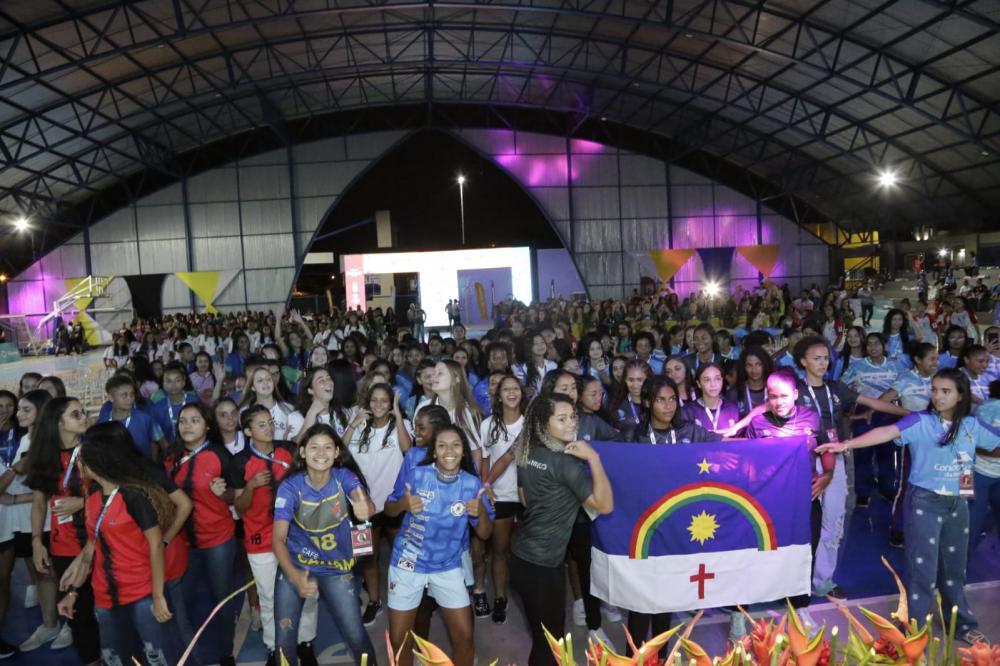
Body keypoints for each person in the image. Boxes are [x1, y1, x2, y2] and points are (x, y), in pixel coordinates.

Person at [817, 369, 1000, 646]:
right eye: (935, 390)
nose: (937, 396)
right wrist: (847, 444)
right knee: (922, 569)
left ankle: (962, 624)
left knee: (955, 570)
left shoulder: (972, 426)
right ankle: (911, 626)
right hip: (924, 503)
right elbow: (886, 431)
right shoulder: (920, 421)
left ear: (961, 395)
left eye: (945, 391)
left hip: (958, 504)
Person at [56, 425, 182, 664]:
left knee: (156, 656)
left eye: (82, 462)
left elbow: (156, 547)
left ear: (96, 463)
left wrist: (157, 596)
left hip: (141, 592)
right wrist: (73, 592)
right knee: (113, 658)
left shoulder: (133, 497)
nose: (78, 467)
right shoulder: (92, 498)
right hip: (104, 595)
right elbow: (91, 550)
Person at [509, 393, 613, 666]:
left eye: (573, 417)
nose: (571, 424)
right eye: (562, 419)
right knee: (550, 646)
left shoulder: (527, 451)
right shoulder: (567, 463)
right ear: (544, 424)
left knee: (542, 639)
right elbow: (604, 505)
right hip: (543, 567)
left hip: (521, 559)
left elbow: (524, 498)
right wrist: (593, 458)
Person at [384, 425, 493, 666]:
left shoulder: (472, 484)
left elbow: (485, 533)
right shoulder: (417, 474)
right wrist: (403, 504)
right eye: (442, 445)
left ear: (463, 451)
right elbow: (389, 509)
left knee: (464, 636)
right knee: (400, 640)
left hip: (447, 565)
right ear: (434, 452)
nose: (449, 451)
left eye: (455, 445)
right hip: (407, 564)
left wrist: (481, 512)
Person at [272, 424, 377, 666]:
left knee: (356, 635)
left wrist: (364, 507)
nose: (321, 453)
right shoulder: (290, 487)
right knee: (284, 641)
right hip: (297, 566)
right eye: (314, 447)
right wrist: (295, 577)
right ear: (302, 452)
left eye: (328, 447)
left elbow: (362, 499)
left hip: (337, 567)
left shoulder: (344, 478)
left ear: (337, 452)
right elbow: (278, 539)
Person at [231, 405, 318, 665]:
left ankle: (305, 641)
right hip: (260, 539)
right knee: (268, 596)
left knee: (307, 590)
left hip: (297, 536)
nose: (269, 427)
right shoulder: (239, 461)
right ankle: (272, 646)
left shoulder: (289, 451)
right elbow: (239, 507)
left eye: (270, 422)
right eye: (261, 424)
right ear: (247, 431)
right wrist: (251, 486)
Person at [26, 397, 100, 665]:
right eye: (76, 414)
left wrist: (82, 502)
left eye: (83, 412)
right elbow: (38, 503)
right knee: (79, 616)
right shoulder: (45, 457)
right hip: (65, 547)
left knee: (109, 610)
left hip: (103, 542)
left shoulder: (95, 450)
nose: (83, 417)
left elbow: (119, 490)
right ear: (58, 422)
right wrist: (36, 541)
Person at [163, 403, 237, 666]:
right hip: (183, 542)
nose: (187, 426)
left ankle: (226, 652)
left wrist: (225, 493)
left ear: (207, 425)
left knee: (221, 600)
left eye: (194, 420)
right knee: (184, 600)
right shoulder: (171, 456)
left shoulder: (219, 454)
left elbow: (235, 495)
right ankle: (190, 652)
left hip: (218, 539)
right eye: (183, 420)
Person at [342, 383, 412, 625]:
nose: (379, 405)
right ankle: (374, 601)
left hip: (393, 505)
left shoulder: (400, 426)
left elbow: (408, 449)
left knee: (402, 554)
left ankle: (405, 597)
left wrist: (398, 413)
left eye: (385, 400)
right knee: (367, 558)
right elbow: (338, 452)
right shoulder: (358, 423)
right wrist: (353, 423)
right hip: (361, 507)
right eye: (375, 400)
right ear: (367, 402)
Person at [4, 390, 66, 655]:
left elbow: (53, 487)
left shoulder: (48, 444)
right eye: (19, 409)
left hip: (45, 519)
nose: (18, 414)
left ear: (41, 413)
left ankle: (68, 623)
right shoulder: (27, 438)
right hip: (27, 519)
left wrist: (19, 497)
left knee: (56, 572)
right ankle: (50, 622)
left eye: (25, 409)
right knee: (41, 574)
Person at [479, 375, 523, 624]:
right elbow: (485, 459)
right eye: (506, 389)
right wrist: (486, 489)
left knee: (524, 551)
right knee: (499, 550)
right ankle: (500, 598)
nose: (511, 393)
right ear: (498, 395)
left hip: (527, 496)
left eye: (515, 388)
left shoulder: (531, 424)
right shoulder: (488, 425)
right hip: (501, 495)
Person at [969, 379, 1000, 555]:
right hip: (981, 474)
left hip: (977, 472)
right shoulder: (989, 410)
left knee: (971, 524)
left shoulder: (982, 408)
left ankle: (955, 575)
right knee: (972, 523)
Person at [682, 363, 740, 433]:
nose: (713, 384)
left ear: (722, 381)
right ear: (699, 384)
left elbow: (741, 440)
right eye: (707, 380)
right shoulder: (688, 411)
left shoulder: (732, 409)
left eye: (717, 379)